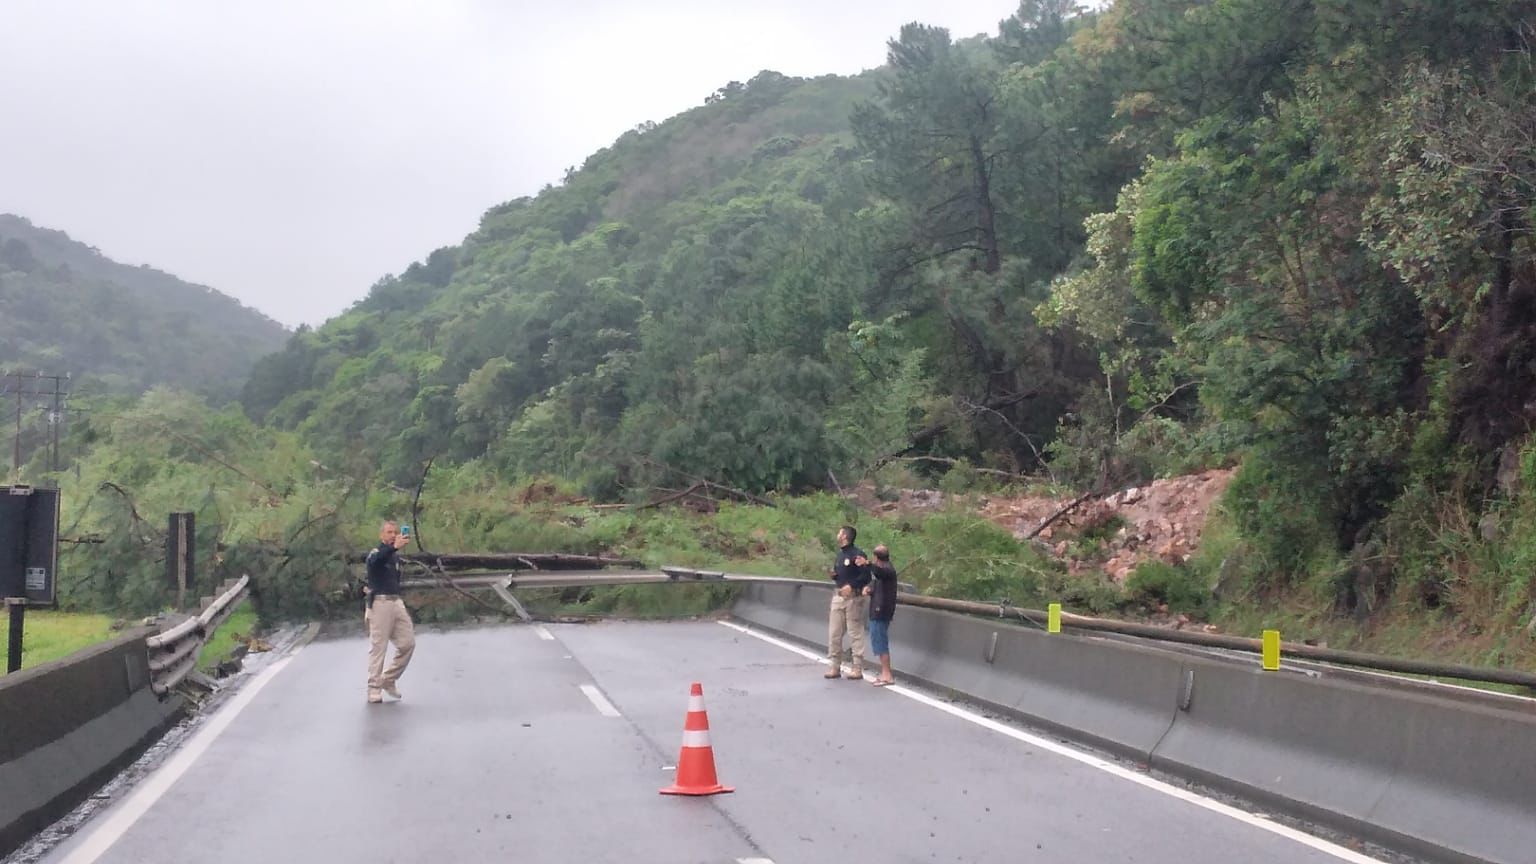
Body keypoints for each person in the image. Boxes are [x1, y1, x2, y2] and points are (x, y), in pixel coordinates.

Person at [365, 520, 415, 704]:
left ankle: (389, 678)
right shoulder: (377, 553)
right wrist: (393, 548)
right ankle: (374, 688)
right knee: (379, 647)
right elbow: (376, 561)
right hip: (380, 603)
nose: (393, 535)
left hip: (396, 601)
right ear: (382, 535)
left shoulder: (394, 557)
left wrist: (395, 550)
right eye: (389, 532)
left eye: (395, 532)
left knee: (407, 643)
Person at [826, 524, 871, 679]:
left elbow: (866, 576)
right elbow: (842, 575)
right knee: (834, 633)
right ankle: (834, 666)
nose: (837, 535)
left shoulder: (857, 555)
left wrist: (851, 586)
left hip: (853, 598)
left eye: (839, 532)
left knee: (855, 632)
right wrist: (835, 576)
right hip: (838, 597)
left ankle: (857, 667)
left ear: (845, 536)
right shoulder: (840, 555)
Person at [863, 544, 898, 686]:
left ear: (876, 557)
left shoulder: (887, 570)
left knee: (880, 641)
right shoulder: (884, 571)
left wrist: (868, 564)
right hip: (878, 609)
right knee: (878, 640)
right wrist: (869, 588)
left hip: (881, 610)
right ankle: (884, 673)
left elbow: (879, 573)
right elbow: (876, 581)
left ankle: (887, 674)